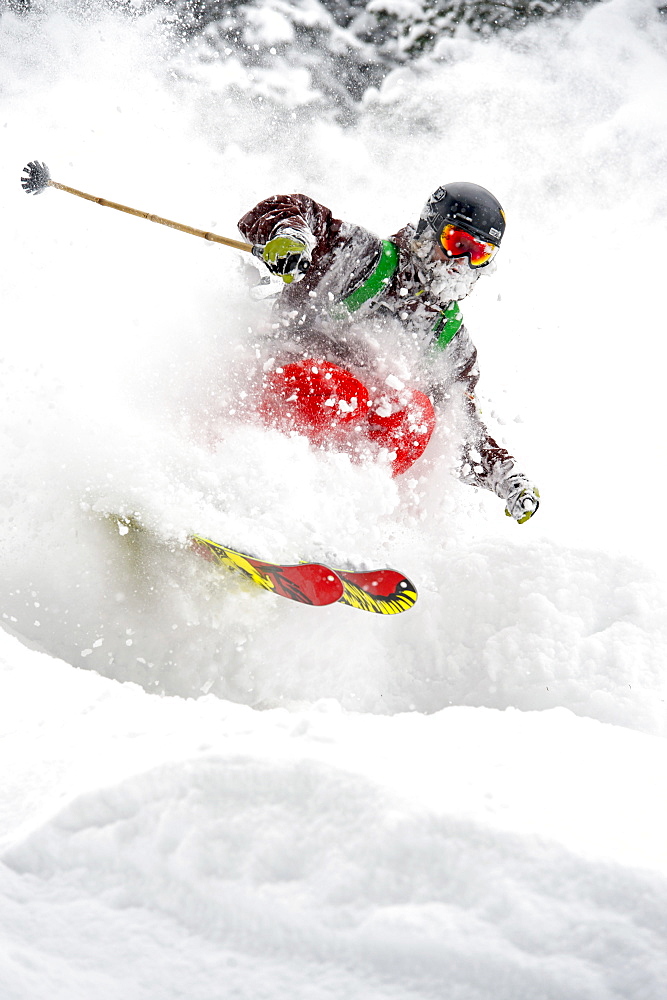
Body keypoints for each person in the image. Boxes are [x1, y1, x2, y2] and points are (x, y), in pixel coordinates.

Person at [237, 182, 540, 523]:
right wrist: (291, 237)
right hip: (265, 386)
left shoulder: (448, 338)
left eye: (478, 254)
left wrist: (505, 478)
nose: (462, 263)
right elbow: (298, 209)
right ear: (429, 229)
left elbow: (460, 430)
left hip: (336, 438)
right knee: (342, 392)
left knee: (413, 415)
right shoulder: (363, 260)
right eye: (457, 243)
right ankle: (254, 485)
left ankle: (333, 514)